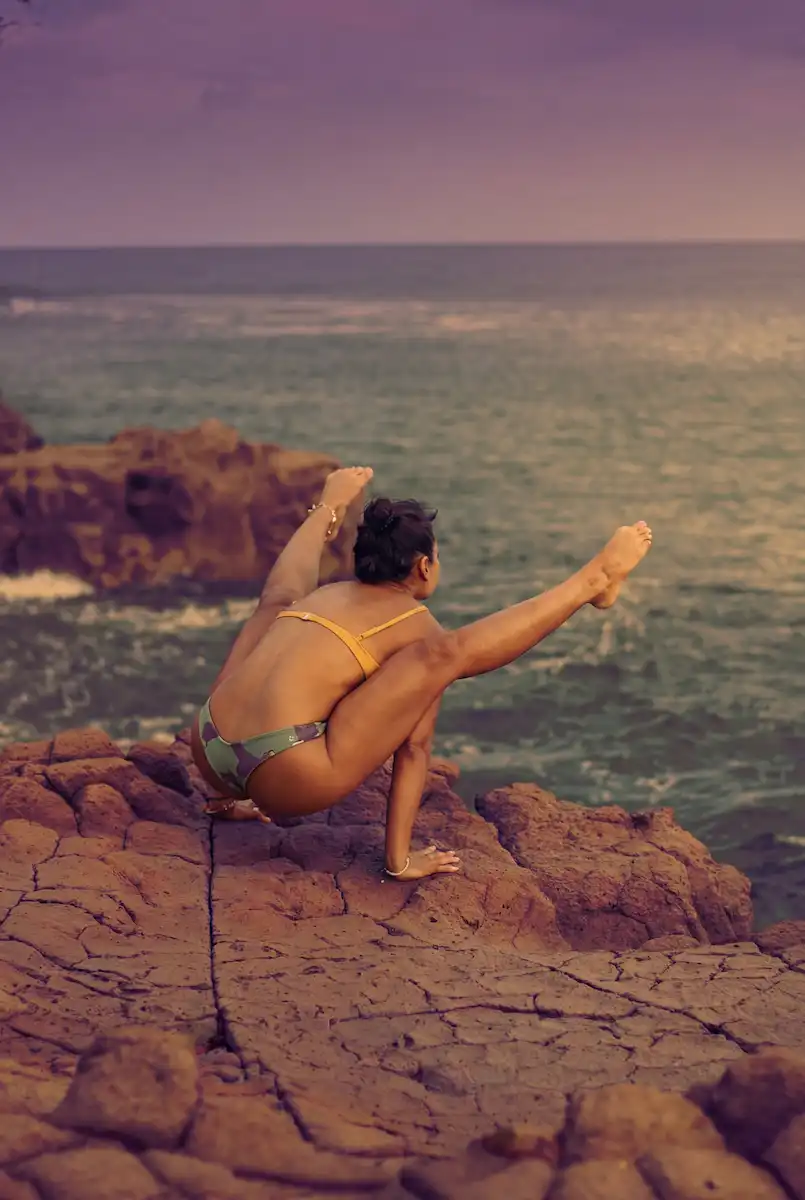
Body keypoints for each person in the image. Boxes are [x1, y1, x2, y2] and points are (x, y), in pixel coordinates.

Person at [191, 466, 653, 881]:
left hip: (208, 747)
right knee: (440, 656)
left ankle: (224, 800)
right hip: (286, 777)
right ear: (424, 566)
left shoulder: (326, 596)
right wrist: (400, 860)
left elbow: (282, 585)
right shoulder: (417, 629)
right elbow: (414, 749)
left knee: (276, 603)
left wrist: (331, 505)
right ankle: (591, 581)